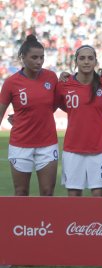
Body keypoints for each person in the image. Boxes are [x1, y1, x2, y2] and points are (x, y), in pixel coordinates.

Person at [0, 34, 58, 196]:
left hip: (47, 143)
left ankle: (46, 222)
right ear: (22, 57)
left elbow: (52, 106)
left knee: (47, 192)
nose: (39, 61)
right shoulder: (11, 83)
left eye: (42, 57)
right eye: (34, 57)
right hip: (20, 144)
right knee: (21, 192)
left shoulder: (51, 77)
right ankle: (23, 223)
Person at [56, 45, 102, 197]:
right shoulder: (64, 85)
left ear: (96, 61)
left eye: (90, 58)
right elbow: (59, 105)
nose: (86, 62)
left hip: (100, 149)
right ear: (76, 61)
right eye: (82, 58)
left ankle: (98, 223)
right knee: (74, 196)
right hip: (73, 149)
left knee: (98, 196)